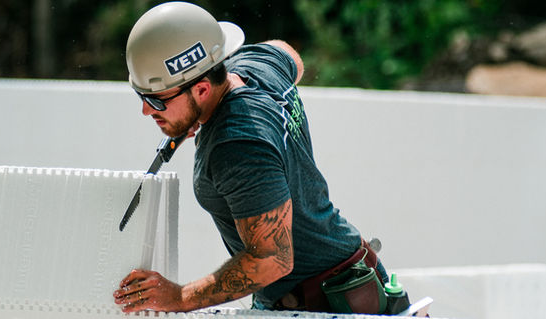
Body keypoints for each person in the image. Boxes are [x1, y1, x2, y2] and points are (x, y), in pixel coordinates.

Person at [114, 2, 390, 314]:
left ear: (202, 89)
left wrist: (180, 297)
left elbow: (272, 259)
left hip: (329, 303)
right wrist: (195, 113)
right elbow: (287, 54)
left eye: (156, 101)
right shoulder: (255, 65)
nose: (146, 110)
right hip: (344, 276)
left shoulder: (237, 145)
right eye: (141, 96)